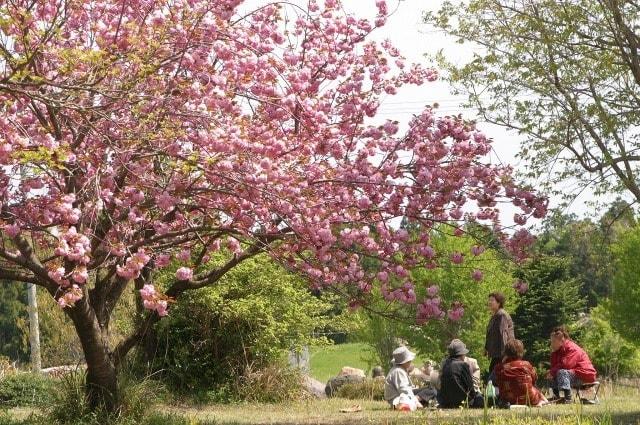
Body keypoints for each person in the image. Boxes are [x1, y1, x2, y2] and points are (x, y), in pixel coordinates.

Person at [546, 326, 596, 404]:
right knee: (551, 373)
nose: (551, 344)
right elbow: (554, 367)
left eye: (553, 342)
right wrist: (551, 373)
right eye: (551, 341)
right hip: (574, 373)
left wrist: (552, 372)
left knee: (561, 372)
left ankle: (568, 398)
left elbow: (566, 365)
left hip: (585, 375)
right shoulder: (556, 352)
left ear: (561, 341)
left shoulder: (572, 348)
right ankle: (556, 397)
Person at [494, 339, 548, 406]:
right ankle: (544, 401)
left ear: (506, 353)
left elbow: (496, 381)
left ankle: (543, 401)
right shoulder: (526, 365)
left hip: (509, 401)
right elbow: (534, 379)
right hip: (529, 399)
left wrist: (503, 362)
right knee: (534, 388)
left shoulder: (498, 368)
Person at [438, 339, 484, 408]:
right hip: (462, 401)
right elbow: (469, 386)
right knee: (480, 398)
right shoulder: (463, 365)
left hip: (447, 401)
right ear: (462, 354)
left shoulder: (445, 364)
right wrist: (475, 396)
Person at [485, 292, 514, 379]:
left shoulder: (501, 315)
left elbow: (503, 335)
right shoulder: (494, 316)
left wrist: (505, 354)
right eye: (489, 300)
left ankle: (497, 392)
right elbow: (490, 334)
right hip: (497, 354)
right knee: (493, 374)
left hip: (502, 354)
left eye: (492, 300)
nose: (489, 302)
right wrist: (486, 348)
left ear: (499, 302)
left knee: (494, 376)